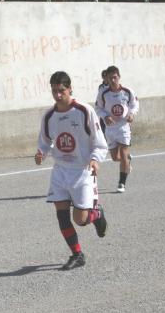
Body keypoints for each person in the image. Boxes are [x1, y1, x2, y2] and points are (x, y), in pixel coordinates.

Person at [35, 71, 108, 271]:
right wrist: (41, 152)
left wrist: (95, 159)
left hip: (82, 170)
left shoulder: (84, 111)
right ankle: (77, 254)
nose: (58, 95)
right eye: (54, 91)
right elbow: (45, 141)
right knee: (61, 214)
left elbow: (99, 142)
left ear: (70, 89)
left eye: (61, 91)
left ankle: (96, 215)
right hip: (60, 170)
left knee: (80, 220)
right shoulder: (49, 116)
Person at [96, 65, 139, 193]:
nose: (113, 80)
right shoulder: (103, 93)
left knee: (124, 153)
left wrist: (132, 114)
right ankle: (127, 160)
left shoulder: (127, 91)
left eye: (115, 77)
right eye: (110, 78)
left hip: (124, 127)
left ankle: (121, 183)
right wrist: (105, 116)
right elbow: (98, 108)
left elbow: (135, 105)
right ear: (107, 79)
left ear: (119, 77)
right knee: (115, 157)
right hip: (110, 128)